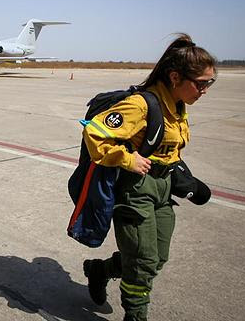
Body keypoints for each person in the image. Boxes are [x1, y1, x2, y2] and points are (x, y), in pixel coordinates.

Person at [81, 34, 217, 321]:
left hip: (163, 188)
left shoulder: (178, 106)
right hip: (136, 189)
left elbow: (169, 148)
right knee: (142, 263)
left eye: (210, 83)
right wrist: (127, 159)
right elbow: (95, 133)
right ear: (175, 76)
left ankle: (100, 270)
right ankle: (136, 315)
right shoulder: (141, 105)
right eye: (201, 83)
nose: (204, 90)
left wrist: (183, 178)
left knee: (156, 259)